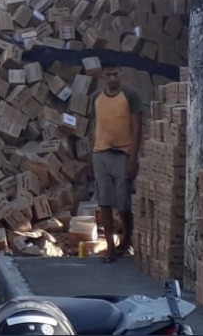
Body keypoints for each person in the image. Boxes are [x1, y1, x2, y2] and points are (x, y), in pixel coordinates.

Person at [90, 60, 142, 264]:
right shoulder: (96, 98)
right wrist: (91, 152)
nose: (112, 78)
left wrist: (133, 158)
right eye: (109, 75)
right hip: (100, 154)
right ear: (103, 75)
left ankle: (126, 241)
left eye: (116, 74)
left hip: (122, 155)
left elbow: (137, 128)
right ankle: (110, 248)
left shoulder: (130, 96)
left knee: (123, 203)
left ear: (121, 73)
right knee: (104, 202)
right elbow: (94, 126)